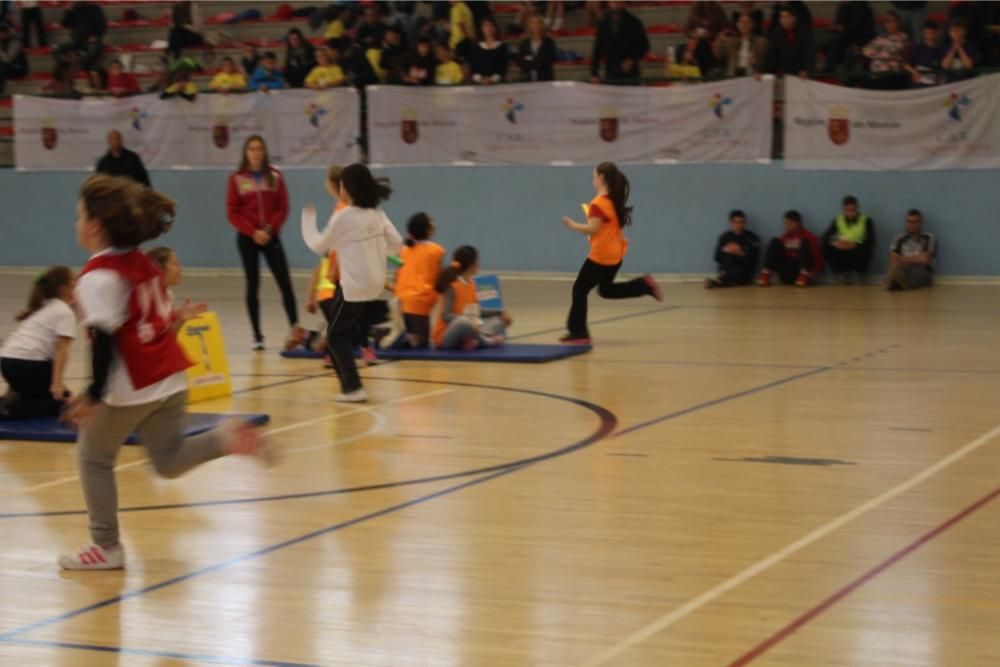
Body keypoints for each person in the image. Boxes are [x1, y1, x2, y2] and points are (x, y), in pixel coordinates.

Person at [59, 174, 273, 571]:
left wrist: (92, 393)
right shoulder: (141, 262)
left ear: (94, 226)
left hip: (130, 386)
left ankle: (106, 547)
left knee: (93, 458)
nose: (76, 223)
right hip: (170, 379)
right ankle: (226, 438)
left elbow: (106, 341)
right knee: (168, 460)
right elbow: (138, 319)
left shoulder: (97, 276)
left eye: (78, 215)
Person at [301, 164, 403, 403]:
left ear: (347, 188)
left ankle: (353, 388)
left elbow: (319, 246)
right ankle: (385, 315)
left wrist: (307, 220)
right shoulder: (378, 214)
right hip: (375, 284)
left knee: (336, 335)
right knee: (342, 327)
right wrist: (374, 251)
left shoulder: (344, 215)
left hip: (354, 286)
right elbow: (397, 244)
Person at [560, 162, 662, 345]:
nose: (592, 180)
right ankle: (643, 285)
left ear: (601, 178)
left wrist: (571, 225)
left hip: (602, 256)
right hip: (616, 255)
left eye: (594, 176)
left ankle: (579, 333)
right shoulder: (612, 202)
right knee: (606, 290)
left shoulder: (598, 203)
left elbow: (592, 228)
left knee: (579, 289)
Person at [226, 135, 302, 351]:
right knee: (253, 285)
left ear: (265, 152)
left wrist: (269, 229)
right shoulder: (236, 179)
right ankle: (257, 335)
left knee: (285, 283)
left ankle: (295, 330)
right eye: (251, 149)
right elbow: (233, 212)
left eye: (259, 148)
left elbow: (282, 207)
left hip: (271, 236)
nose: (255, 152)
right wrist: (252, 232)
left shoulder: (275, 177)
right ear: (245, 152)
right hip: (247, 239)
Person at [0, 267, 76, 420]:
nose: (77, 286)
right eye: (74, 282)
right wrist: (56, 384)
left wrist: (10, 391)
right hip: (28, 367)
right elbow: (61, 350)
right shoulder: (63, 312)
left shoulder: (42, 307)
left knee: (66, 396)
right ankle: (9, 410)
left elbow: (22, 348)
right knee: (62, 404)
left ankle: (8, 402)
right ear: (64, 288)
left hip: (7, 363)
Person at [433, 246, 512, 350]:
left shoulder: (472, 284)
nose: (478, 264)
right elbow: (446, 316)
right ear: (472, 264)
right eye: (477, 261)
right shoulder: (452, 286)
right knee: (462, 321)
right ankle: (486, 341)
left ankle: (473, 340)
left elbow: (478, 311)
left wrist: (500, 312)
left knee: (499, 320)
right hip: (447, 336)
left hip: (469, 331)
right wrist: (469, 322)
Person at [394, 212, 446, 348]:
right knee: (421, 340)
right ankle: (402, 337)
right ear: (428, 229)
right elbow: (441, 279)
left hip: (401, 299)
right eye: (432, 222)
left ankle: (395, 335)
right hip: (420, 300)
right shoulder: (437, 251)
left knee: (411, 332)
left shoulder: (404, 249)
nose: (435, 224)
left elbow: (397, 275)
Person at [590, 1, 650, 84]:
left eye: (619, 2)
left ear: (624, 3)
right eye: (614, 2)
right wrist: (594, 73)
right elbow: (597, 49)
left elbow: (644, 45)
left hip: (631, 74)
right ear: (609, 3)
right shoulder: (603, 24)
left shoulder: (634, 22)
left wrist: (632, 59)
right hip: (611, 73)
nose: (617, 6)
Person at [757, 210, 821, 287]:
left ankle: (803, 275)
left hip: (801, 271)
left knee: (805, 242)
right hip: (787, 272)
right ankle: (766, 273)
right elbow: (777, 255)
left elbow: (817, 257)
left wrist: (813, 273)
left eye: (787, 223)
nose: (785, 226)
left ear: (796, 223)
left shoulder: (809, 236)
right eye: (784, 223)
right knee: (774, 241)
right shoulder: (784, 237)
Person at [822, 195, 876, 284]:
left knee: (866, 249)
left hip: (857, 249)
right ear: (843, 209)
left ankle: (858, 274)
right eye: (847, 210)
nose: (850, 213)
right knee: (826, 246)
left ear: (857, 208)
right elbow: (825, 237)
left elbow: (871, 240)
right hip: (842, 250)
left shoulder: (866, 220)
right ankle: (840, 274)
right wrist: (835, 243)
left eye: (852, 210)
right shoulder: (838, 219)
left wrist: (854, 244)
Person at [707, 210, 761, 289]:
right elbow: (716, 258)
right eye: (736, 222)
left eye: (741, 222)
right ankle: (722, 281)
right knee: (730, 256)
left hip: (743, 270)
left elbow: (754, 260)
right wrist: (725, 250)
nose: (739, 225)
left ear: (745, 223)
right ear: (730, 223)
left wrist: (741, 253)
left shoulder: (752, 237)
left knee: (738, 269)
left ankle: (719, 282)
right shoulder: (724, 237)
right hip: (726, 269)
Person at [886, 209, 936, 291]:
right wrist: (916, 259)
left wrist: (903, 259)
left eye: (915, 222)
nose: (911, 225)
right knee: (895, 269)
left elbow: (925, 259)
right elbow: (893, 259)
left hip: (921, 270)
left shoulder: (929, 237)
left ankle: (898, 283)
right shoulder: (898, 238)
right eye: (909, 222)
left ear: (920, 223)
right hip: (902, 269)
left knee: (920, 273)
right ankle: (898, 283)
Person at [862, 11, 910, 90]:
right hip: (876, 73)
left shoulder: (903, 37)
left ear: (898, 23)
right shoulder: (881, 37)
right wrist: (882, 53)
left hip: (892, 73)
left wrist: (878, 52)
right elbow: (866, 51)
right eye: (888, 22)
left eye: (893, 21)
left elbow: (892, 52)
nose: (891, 24)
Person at [824, 1, 875, 73]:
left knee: (837, 42)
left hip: (861, 36)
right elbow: (838, 21)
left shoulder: (861, 6)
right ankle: (829, 67)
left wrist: (843, 27)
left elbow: (859, 25)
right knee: (833, 41)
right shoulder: (842, 7)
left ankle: (830, 67)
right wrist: (835, 27)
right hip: (845, 36)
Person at [765, 7, 814, 77]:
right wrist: (760, 70)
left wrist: (806, 70)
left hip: (801, 71)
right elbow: (770, 52)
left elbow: (809, 53)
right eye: (782, 17)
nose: (784, 20)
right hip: (783, 71)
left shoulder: (805, 32)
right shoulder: (777, 32)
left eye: (787, 16)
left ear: (794, 18)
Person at [514, 14, 556, 82]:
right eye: (533, 23)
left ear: (542, 25)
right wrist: (532, 61)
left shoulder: (549, 42)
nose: (535, 25)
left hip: (545, 78)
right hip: (527, 78)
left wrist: (530, 61)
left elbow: (546, 59)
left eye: (538, 22)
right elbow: (520, 60)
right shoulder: (524, 43)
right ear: (529, 25)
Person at [471, 16, 509, 84]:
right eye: (485, 26)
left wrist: (492, 79)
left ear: (495, 28)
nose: (488, 29)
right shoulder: (476, 47)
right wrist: (480, 79)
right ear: (481, 29)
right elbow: (473, 67)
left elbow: (503, 66)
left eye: (491, 26)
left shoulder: (502, 47)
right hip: (479, 84)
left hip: (498, 83)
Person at [906, 19, 945, 86]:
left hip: (933, 85)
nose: (929, 36)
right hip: (919, 84)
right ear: (923, 33)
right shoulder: (918, 47)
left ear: (937, 33)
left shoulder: (940, 50)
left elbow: (941, 71)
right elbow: (907, 65)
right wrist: (915, 72)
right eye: (927, 33)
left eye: (931, 33)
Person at [0, 20, 26, 95]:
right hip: (7, 67)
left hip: (19, 67)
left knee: (3, 66)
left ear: (6, 32)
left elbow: (8, 59)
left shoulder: (15, 41)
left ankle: (1, 91)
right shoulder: (2, 41)